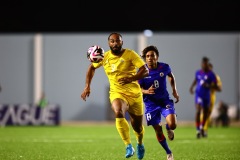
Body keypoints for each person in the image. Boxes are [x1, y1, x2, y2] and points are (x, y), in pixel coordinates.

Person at [81, 33, 149, 159]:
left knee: (138, 127)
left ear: (122, 42)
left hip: (135, 94)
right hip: (117, 92)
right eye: (112, 41)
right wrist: (87, 86)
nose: (115, 43)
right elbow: (91, 68)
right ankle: (128, 145)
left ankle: (140, 143)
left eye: (117, 41)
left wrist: (132, 78)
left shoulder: (131, 54)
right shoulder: (105, 56)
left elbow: (145, 70)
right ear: (108, 43)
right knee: (118, 112)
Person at [138, 45, 179, 160]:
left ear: (157, 57)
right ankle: (169, 152)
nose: (150, 58)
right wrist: (146, 91)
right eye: (147, 56)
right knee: (158, 130)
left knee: (173, 125)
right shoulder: (142, 71)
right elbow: (138, 88)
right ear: (145, 58)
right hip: (151, 105)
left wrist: (174, 91)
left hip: (164, 101)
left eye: (152, 56)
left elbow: (171, 76)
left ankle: (168, 128)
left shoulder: (164, 67)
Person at [189, 57, 220, 138]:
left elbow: (215, 85)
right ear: (201, 64)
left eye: (206, 64)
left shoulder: (211, 74)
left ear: (207, 64)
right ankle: (198, 130)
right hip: (198, 94)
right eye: (203, 63)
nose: (204, 65)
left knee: (206, 113)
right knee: (198, 111)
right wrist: (192, 87)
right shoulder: (198, 73)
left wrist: (208, 85)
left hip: (207, 95)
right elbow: (196, 80)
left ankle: (202, 127)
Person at [201, 63, 222, 136]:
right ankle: (201, 128)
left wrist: (210, 86)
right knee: (202, 112)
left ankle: (204, 129)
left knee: (208, 113)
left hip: (211, 96)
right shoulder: (202, 76)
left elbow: (219, 88)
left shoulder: (215, 77)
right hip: (202, 96)